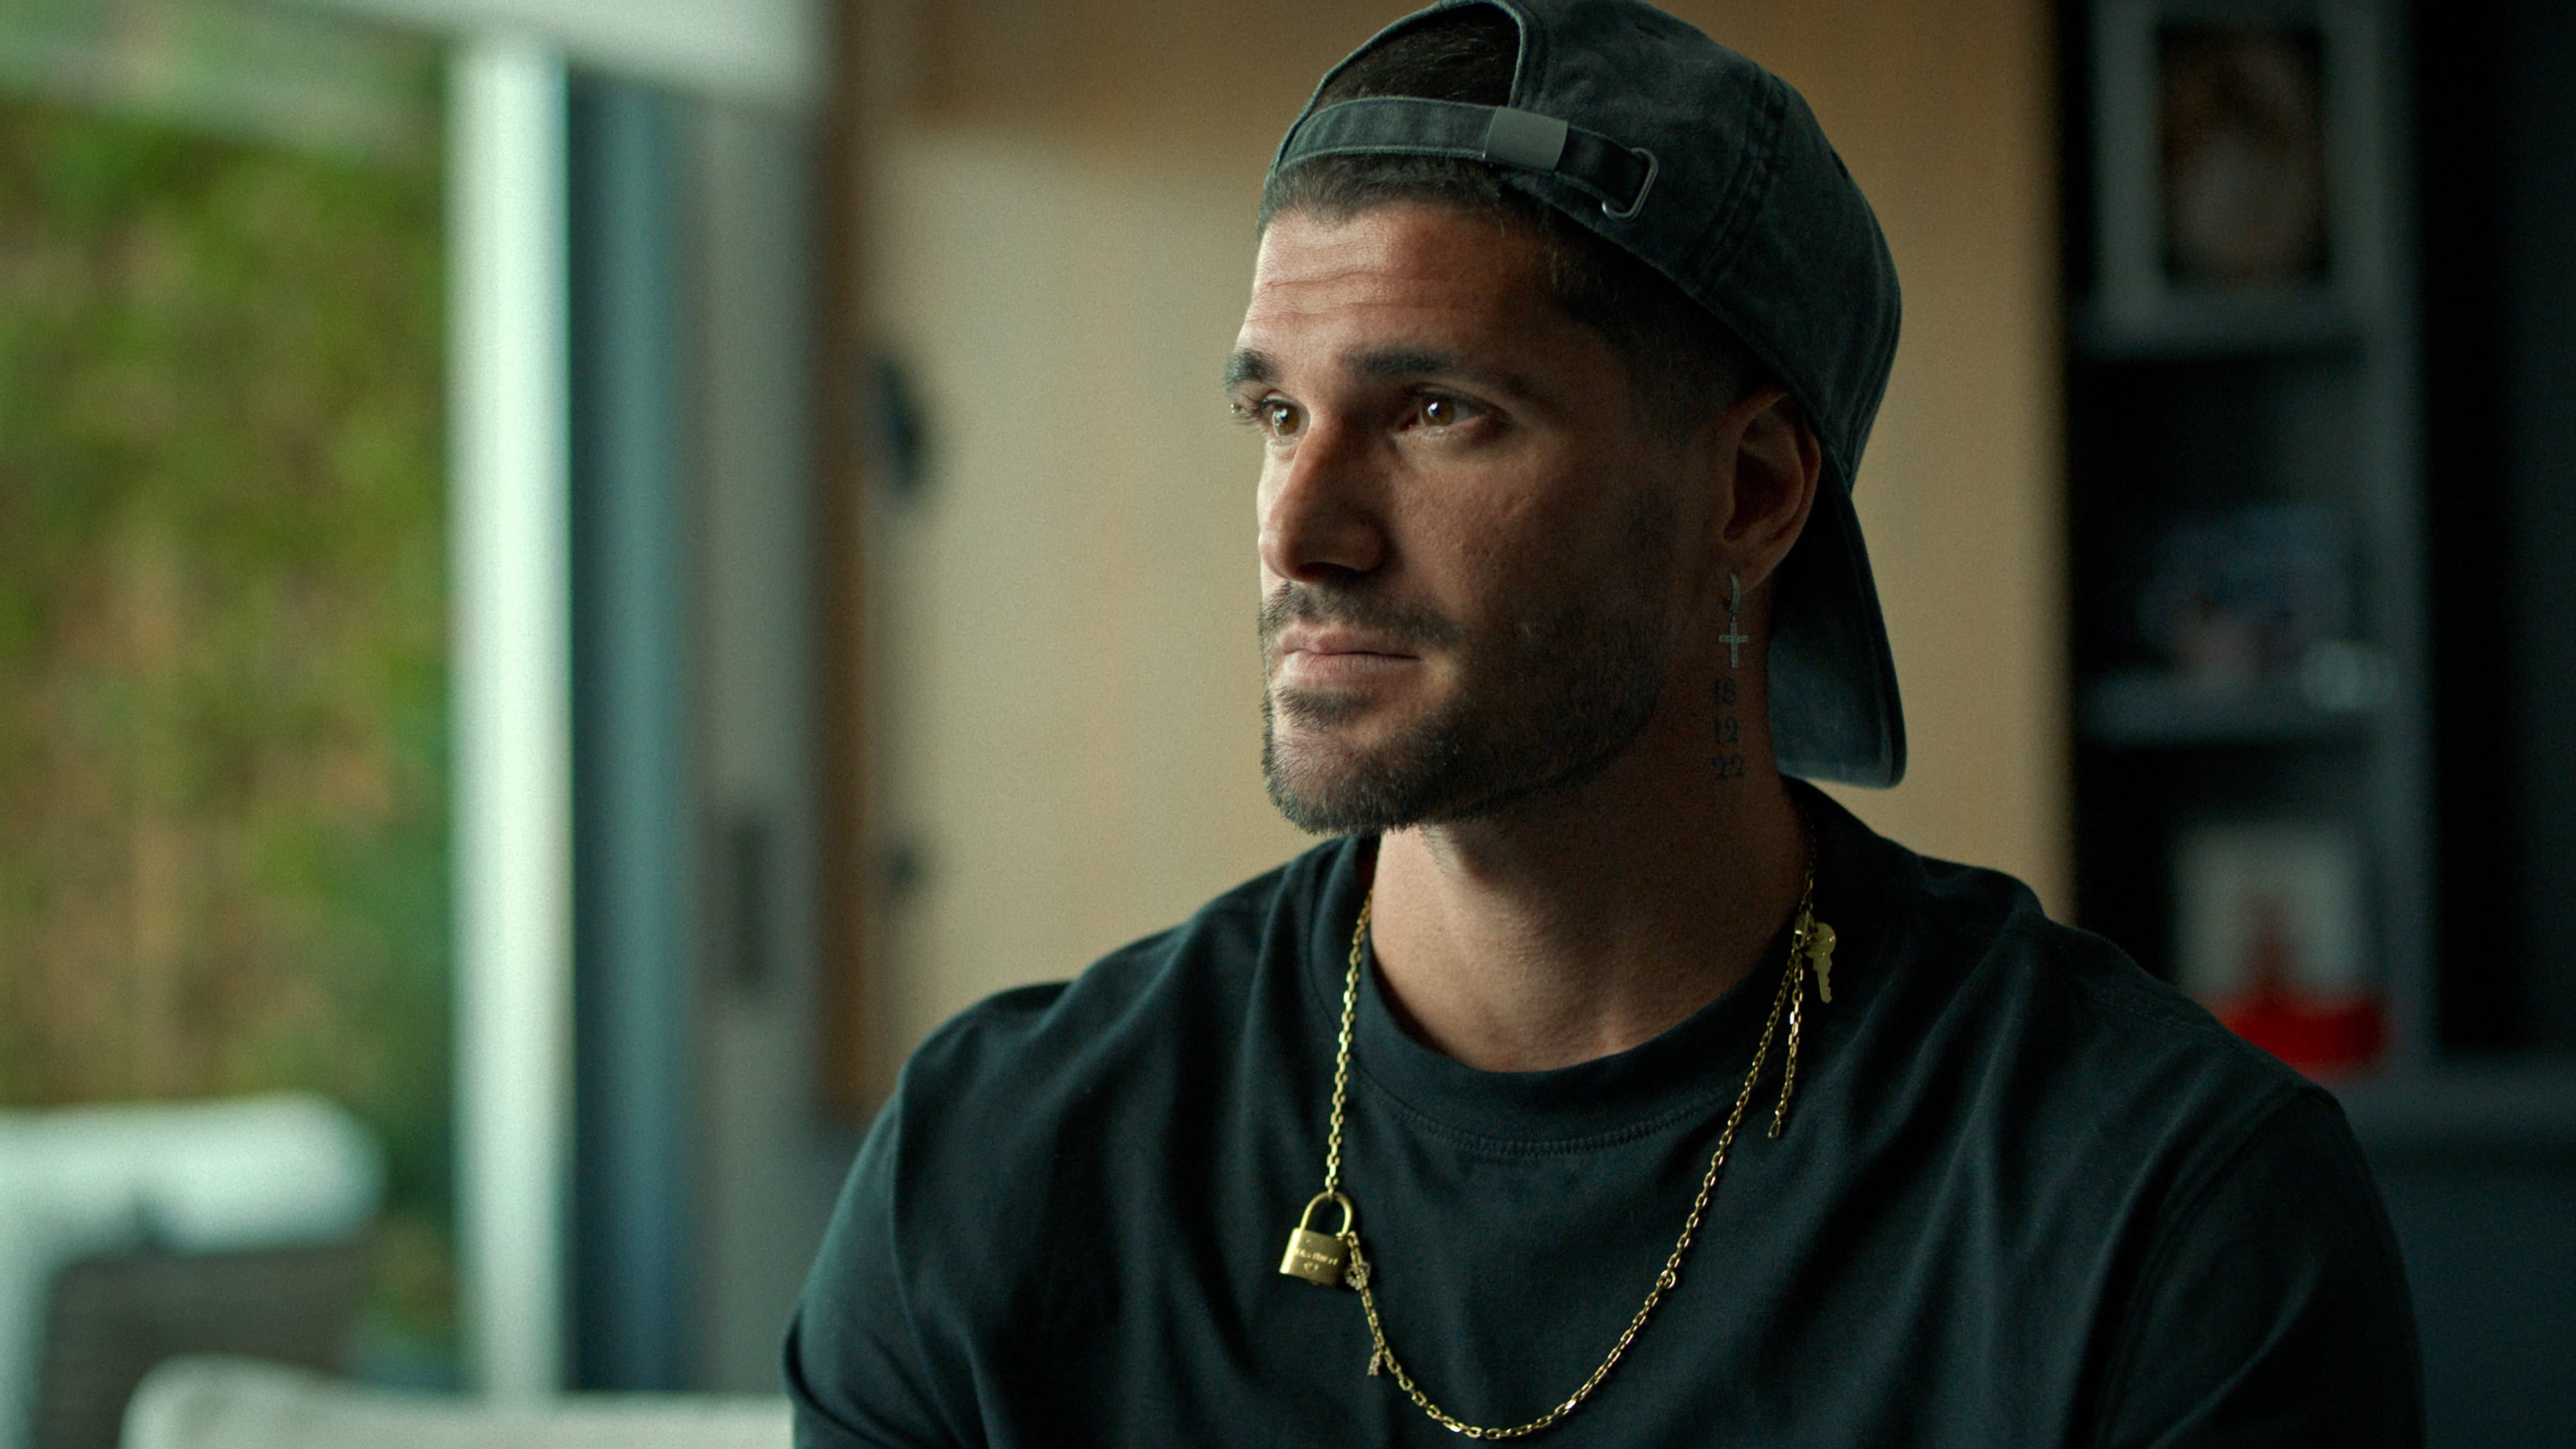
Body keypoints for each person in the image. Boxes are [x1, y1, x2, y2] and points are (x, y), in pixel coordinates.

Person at [785, 1, 2423, 1443]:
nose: (1298, 530)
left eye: (1437, 411)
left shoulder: (2158, 1211)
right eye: (1276, 412)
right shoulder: (993, 1182)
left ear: (1753, 491)